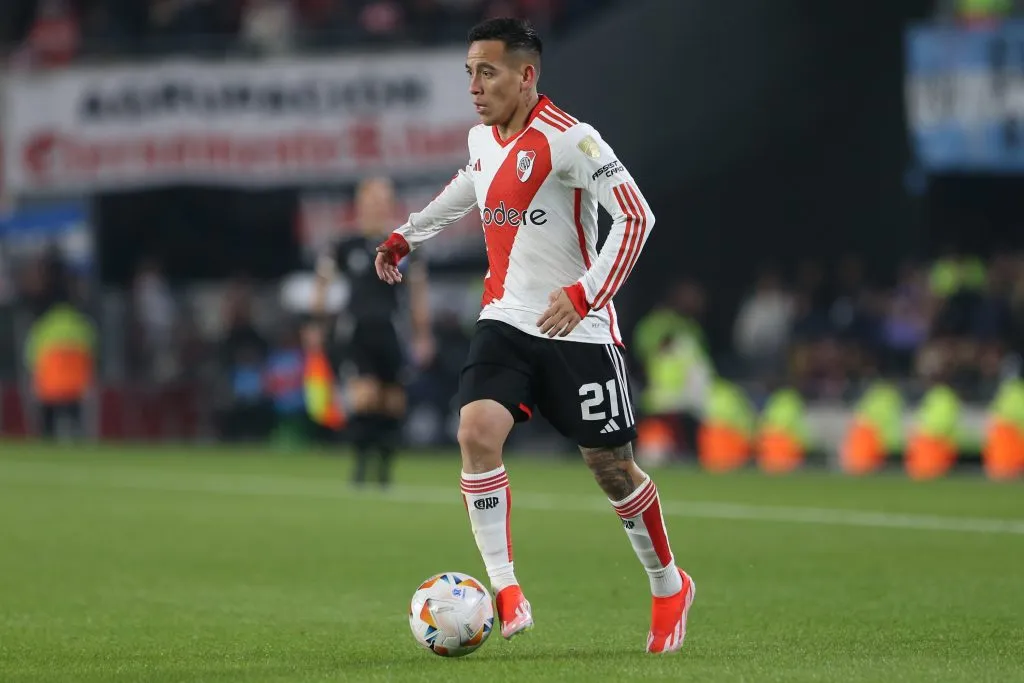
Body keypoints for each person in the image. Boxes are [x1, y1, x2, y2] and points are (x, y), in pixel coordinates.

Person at [374, 18, 695, 654]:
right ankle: (506, 588)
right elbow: (471, 184)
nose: (474, 85)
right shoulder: (482, 138)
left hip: (579, 329)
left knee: (612, 468)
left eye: (487, 72)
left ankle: (668, 585)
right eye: (469, 72)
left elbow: (637, 217)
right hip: (505, 318)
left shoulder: (571, 139)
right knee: (475, 432)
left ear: (526, 76)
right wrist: (408, 234)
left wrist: (584, 294)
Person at [313, 176, 435, 487]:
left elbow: (418, 292)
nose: (377, 206)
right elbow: (322, 283)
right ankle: (360, 465)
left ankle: (383, 469)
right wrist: (316, 323)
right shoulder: (345, 244)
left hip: (393, 329)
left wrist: (423, 334)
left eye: (383, 200)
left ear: (390, 205)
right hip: (357, 329)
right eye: (371, 200)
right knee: (364, 396)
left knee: (392, 401)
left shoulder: (405, 244)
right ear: (360, 204)